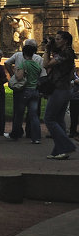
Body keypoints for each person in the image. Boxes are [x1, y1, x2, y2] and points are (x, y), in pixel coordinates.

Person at [42, 30, 77, 160]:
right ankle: (59, 151)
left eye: (58, 39)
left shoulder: (66, 53)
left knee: (49, 118)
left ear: (65, 41)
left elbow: (46, 64)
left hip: (59, 89)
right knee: (58, 119)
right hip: (65, 88)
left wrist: (46, 50)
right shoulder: (68, 53)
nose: (55, 41)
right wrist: (51, 48)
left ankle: (67, 145)